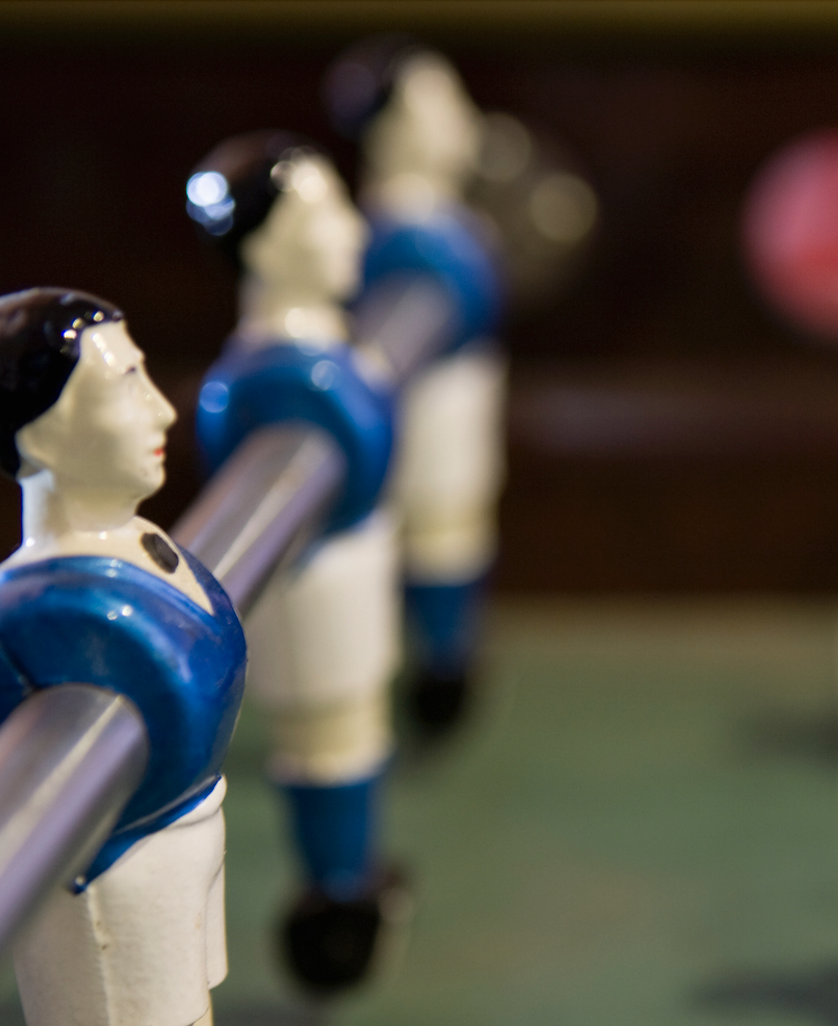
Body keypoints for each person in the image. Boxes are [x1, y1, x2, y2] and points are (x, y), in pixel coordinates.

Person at [0, 288, 244, 1026]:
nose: (164, 411)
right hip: (108, 887)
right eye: (124, 387)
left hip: (188, 835)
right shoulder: (40, 619)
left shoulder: (150, 554)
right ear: (41, 436)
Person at [187, 131, 407, 994]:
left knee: (355, 732)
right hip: (313, 591)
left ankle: (352, 882)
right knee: (328, 740)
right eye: (327, 216)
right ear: (270, 243)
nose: (354, 230)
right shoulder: (271, 381)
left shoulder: (323, 352)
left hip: (354, 566)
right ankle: (335, 901)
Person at [326, 35, 505, 735]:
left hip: (461, 404)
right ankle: (438, 672)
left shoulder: (442, 223)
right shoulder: (401, 239)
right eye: (442, 105)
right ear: (395, 125)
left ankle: (448, 659)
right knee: (432, 536)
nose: (461, 119)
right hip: (423, 421)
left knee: (455, 532)